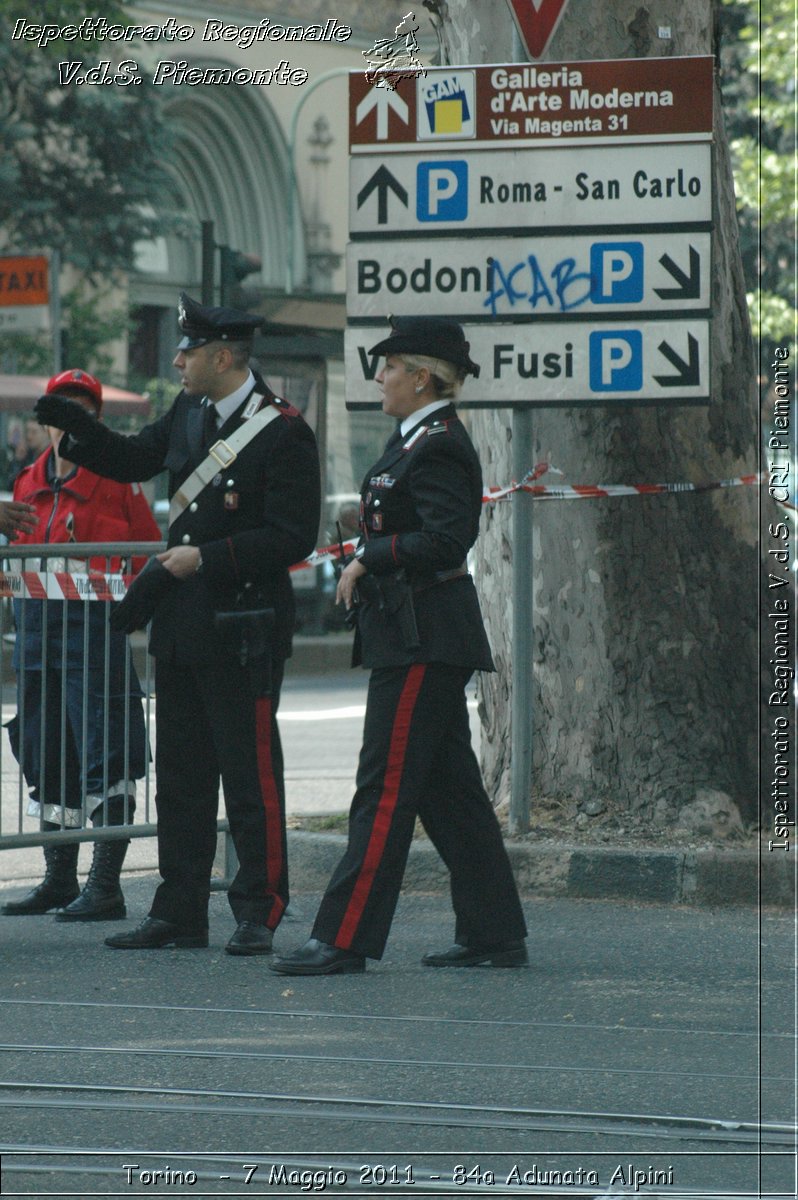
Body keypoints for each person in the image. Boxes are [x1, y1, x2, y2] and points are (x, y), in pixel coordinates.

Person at [36, 294, 321, 955]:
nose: (177, 359)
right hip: (185, 624)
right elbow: (140, 457)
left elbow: (291, 536)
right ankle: (180, 909)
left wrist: (206, 557)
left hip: (242, 625)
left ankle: (259, 908)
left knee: (248, 777)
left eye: (187, 350)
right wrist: (76, 430)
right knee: (183, 779)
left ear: (223, 356)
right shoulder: (190, 410)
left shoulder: (283, 431)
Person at [270, 317, 528, 976]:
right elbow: (417, 521)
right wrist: (369, 534)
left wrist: (371, 556)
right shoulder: (414, 437)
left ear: (422, 376)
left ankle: (344, 937)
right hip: (411, 633)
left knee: (382, 789)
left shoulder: (439, 442)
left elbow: (448, 539)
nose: (378, 376)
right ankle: (493, 933)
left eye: (388, 366)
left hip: (424, 637)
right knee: (450, 796)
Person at [2, 368, 161, 922]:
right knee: (48, 755)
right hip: (38, 641)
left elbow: (146, 554)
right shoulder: (26, 481)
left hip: (96, 640)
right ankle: (58, 879)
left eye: (82, 412)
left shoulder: (116, 480)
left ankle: (106, 884)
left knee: (107, 753)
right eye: (58, 412)